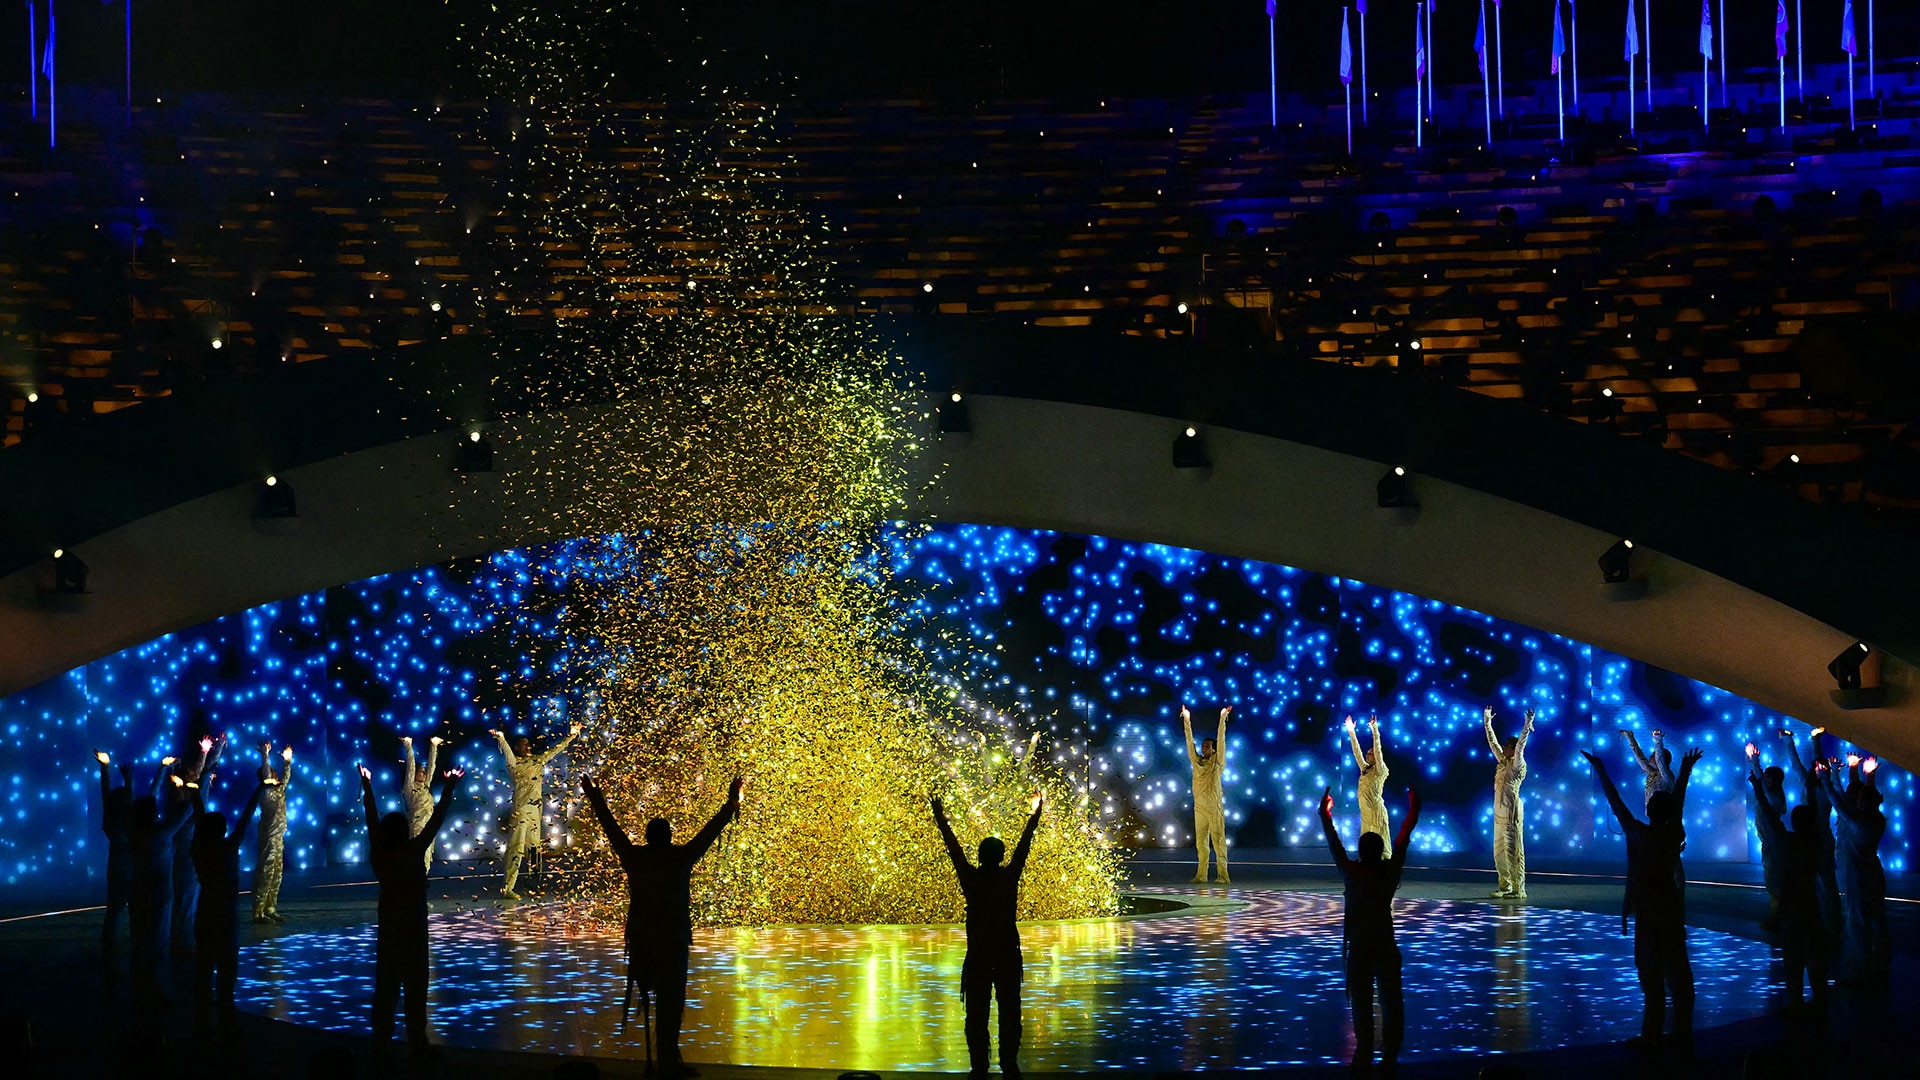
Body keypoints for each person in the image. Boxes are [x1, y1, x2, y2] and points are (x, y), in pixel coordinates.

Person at [579, 774, 742, 1077]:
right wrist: (730, 803)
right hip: (672, 940)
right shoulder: (680, 857)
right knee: (671, 1002)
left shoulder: (635, 857)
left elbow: (611, 829)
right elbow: (708, 833)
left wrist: (594, 797)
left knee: (651, 996)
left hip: (643, 939)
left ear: (648, 836)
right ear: (668, 836)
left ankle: (663, 1059)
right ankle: (667, 1058)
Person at [1582, 746, 1702, 1047]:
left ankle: (1653, 1036)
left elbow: (1616, 803)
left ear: (1649, 810)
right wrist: (1685, 771)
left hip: (1649, 912)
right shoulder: (1673, 833)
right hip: (1669, 908)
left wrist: (1600, 770)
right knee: (1677, 968)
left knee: (1652, 976)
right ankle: (1680, 1032)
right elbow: (1680, 804)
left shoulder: (1639, 834)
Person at [932, 792, 1044, 1080]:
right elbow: (1024, 846)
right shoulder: (1009, 877)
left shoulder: (971, 879)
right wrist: (1034, 815)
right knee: (1010, 1012)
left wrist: (942, 819)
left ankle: (979, 1066)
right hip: (1006, 954)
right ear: (1001, 857)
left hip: (980, 956)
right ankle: (1009, 1064)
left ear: (980, 857)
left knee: (977, 1016)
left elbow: (953, 849)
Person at [359, 761, 461, 1054]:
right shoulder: (415, 850)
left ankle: (381, 1043)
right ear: (405, 832)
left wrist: (367, 785)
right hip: (414, 934)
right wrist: (451, 784)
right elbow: (437, 819)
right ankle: (417, 1041)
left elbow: (371, 819)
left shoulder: (380, 855)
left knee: (386, 988)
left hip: (391, 933)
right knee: (416, 989)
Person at [1318, 783, 1421, 1072]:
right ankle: (1389, 1052)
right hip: (1384, 944)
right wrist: (1413, 803)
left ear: (1362, 851)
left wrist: (1325, 813)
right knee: (1391, 1000)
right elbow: (1404, 835)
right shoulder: (1388, 872)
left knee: (1363, 1000)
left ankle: (1366, 1047)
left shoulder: (1352, 873)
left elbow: (1333, 842)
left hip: (1362, 946)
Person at [1746, 770, 1829, 1015]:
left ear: (1794, 822)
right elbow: (1812, 818)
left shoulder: (1786, 842)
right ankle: (1820, 999)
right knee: (1814, 953)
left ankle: (1795, 1002)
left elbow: (1770, 818)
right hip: (1811, 904)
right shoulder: (1815, 842)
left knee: (1793, 957)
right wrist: (1812, 791)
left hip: (1791, 905)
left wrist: (1757, 787)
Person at [190, 775, 266, 1036]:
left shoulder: (198, 849)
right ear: (221, 830)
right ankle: (225, 1017)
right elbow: (244, 821)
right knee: (227, 968)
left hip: (205, 911)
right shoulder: (227, 848)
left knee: (203, 964)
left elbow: (202, 820)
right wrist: (259, 788)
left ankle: (201, 1017)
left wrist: (193, 794)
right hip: (225, 915)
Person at [490, 723, 582, 899]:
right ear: (517, 747)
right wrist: (501, 738)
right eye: (523, 744)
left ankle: (533, 883)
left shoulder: (537, 760)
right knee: (516, 848)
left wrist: (571, 736)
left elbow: (556, 750)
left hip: (535, 811)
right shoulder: (515, 764)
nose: (528, 746)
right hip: (521, 811)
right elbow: (508, 754)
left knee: (534, 849)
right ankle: (508, 887)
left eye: (528, 743)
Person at [1820, 755, 1890, 986]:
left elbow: (1838, 800)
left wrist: (1825, 776)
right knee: (1876, 918)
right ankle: (1879, 963)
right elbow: (1865, 796)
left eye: (1860, 799)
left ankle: (1861, 971)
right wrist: (1868, 775)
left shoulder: (1859, 823)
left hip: (1858, 877)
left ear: (1863, 803)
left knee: (1858, 922)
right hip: (1873, 873)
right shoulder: (1878, 819)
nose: (1856, 800)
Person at [128, 771, 196, 1004]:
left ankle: (140, 989)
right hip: (158, 896)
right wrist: (191, 787)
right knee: (158, 943)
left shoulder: (134, 832)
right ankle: (156, 992)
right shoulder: (161, 833)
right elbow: (188, 811)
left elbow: (147, 799)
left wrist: (159, 774)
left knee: (140, 940)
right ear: (152, 813)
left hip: (138, 894)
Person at [1781, 727, 1843, 947]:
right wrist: (1789, 741)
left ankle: (1833, 927)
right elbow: (1796, 763)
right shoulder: (1807, 783)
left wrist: (1827, 767)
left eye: (1821, 767)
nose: (1817, 768)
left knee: (1827, 882)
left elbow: (1820, 764)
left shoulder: (1829, 788)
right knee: (1811, 884)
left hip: (1822, 839)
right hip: (1806, 839)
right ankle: (1817, 925)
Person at [169, 734, 225, 956]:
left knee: (189, 901)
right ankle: (181, 941)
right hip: (186, 856)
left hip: (192, 855)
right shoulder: (184, 804)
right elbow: (202, 775)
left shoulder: (191, 800)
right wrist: (212, 751)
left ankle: (184, 938)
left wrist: (208, 751)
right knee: (185, 900)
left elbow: (204, 772)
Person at [1484, 706, 1536, 900]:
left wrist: (1527, 724)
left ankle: (1518, 888)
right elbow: (1492, 742)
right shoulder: (1503, 761)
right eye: (1504, 745)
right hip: (1498, 814)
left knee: (1513, 852)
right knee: (1498, 852)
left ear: (1513, 750)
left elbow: (1522, 745)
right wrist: (1487, 721)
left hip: (1510, 813)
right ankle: (1504, 885)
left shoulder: (1517, 764)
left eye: (1507, 746)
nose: (1504, 747)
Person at [1182, 705, 1231, 884]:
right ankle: (1201, 874)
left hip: (1214, 806)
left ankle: (1222, 874)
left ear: (1214, 749)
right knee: (1201, 843)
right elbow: (1189, 743)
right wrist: (1187, 721)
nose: (1204, 748)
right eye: (1203, 746)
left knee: (1218, 841)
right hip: (1199, 807)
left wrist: (1222, 719)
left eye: (1207, 746)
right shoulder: (1197, 762)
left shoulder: (1217, 763)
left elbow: (1221, 739)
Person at [95, 750, 135, 954]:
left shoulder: (111, 819)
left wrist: (105, 768)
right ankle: (116, 940)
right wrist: (128, 781)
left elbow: (106, 793)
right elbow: (115, 796)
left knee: (115, 906)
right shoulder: (126, 822)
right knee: (130, 905)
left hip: (115, 864)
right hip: (128, 865)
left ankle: (111, 939)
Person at [1745, 743, 1789, 929]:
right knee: (1772, 878)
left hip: (1773, 841)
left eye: (1771, 779)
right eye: (1767, 778)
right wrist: (1754, 759)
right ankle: (1778, 914)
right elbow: (1759, 777)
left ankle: (1778, 916)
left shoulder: (1774, 797)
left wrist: (1755, 764)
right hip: (1769, 841)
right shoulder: (1770, 791)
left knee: (1773, 879)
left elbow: (1763, 798)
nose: (1767, 781)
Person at [253, 742, 294, 923]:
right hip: (269, 838)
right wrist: (265, 754)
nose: (275, 775)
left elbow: (285, 778)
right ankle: (258, 912)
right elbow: (267, 773)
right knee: (265, 873)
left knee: (277, 874)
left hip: (278, 839)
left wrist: (287, 762)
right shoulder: (267, 791)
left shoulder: (279, 790)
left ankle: (270, 908)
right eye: (272, 773)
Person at [1346, 714, 1391, 857]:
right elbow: (1357, 752)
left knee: (1381, 839)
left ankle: (1385, 866)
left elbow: (1378, 749)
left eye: (1370, 753)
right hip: (1365, 811)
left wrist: (1374, 729)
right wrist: (1352, 732)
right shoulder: (1365, 769)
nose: (1368, 753)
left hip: (1376, 810)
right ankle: (1366, 864)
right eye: (1368, 752)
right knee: (1365, 840)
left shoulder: (1380, 770)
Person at [401, 735, 443, 872]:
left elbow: (432, 767)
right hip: (417, 827)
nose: (424, 774)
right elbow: (411, 767)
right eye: (421, 772)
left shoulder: (425, 786)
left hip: (429, 826)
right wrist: (408, 745)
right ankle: (414, 886)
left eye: (424, 772)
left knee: (427, 858)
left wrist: (434, 746)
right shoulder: (409, 788)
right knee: (417, 858)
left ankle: (420, 885)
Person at [1622, 728, 1677, 810]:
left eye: (1653, 755)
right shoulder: (1653, 773)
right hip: (1653, 817)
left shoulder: (1667, 777)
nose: (1650, 756)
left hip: (1664, 818)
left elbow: (1660, 760)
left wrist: (1658, 740)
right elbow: (1640, 758)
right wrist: (1630, 738)